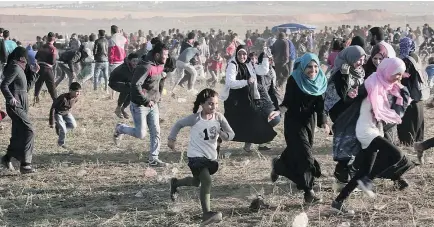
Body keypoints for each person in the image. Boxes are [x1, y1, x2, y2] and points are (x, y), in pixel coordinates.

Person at [331, 58, 415, 215]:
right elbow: (354, 97)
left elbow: (397, 98)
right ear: (387, 71)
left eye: (400, 74)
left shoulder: (386, 84)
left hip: (374, 129)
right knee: (397, 154)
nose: (398, 77)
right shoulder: (372, 83)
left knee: (363, 170)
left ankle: (339, 201)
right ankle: (367, 180)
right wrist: (352, 94)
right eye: (396, 74)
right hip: (365, 129)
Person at [168, 88, 235, 226]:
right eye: (210, 104)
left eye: (216, 104)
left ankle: (176, 183)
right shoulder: (195, 118)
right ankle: (207, 214)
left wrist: (223, 135)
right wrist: (171, 138)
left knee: (196, 182)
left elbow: (231, 134)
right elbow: (179, 124)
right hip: (195, 157)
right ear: (202, 104)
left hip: (210, 158)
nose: (214, 107)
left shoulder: (219, 117)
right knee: (207, 181)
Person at [270, 53, 329, 204]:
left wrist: (324, 123)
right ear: (303, 67)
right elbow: (287, 102)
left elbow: (321, 106)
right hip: (293, 122)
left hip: (309, 123)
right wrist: (278, 111)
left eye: (316, 67)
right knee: (305, 156)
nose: (313, 70)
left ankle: (278, 166)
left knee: (295, 152)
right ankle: (308, 192)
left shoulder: (321, 81)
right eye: (309, 67)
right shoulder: (294, 79)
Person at [113, 43, 169, 167]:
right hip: (140, 105)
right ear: (157, 55)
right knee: (141, 134)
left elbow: (157, 81)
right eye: (165, 54)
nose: (167, 56)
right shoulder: (145, 67)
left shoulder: (160, 64)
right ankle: (120, 128)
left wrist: (157, 98)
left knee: (156, 131)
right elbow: (135, 85)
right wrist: (145, 100)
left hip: (153, 104)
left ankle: (153, 158)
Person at [0, 46, 40, 174]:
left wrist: (34, 73)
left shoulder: (20, 69)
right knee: (30, 130)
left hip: (22, 103)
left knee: (18, 133)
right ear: (22, 57)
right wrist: (10, 97)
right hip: (15, 104)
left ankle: (7, 158)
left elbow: (26, 87)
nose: (27, 60)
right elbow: (3, 85)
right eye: (26, 58)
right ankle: (25, 165)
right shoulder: (15, 67)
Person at [397, 37, 426, 146]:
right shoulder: (416, 57)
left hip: (409, 98)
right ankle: (419, 145)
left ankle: (409, 144)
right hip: (418, 97)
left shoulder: (406, 61)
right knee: (418, 125)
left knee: (408, 125)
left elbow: (404, 80)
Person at [49, 82, 81, 149]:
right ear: (70, 91)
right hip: (58, 113)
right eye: (77, 92)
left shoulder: (76, 98)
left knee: (73, 125)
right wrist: (51, 122)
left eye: (79, 92)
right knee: (63, 129)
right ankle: (60, 144)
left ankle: (61, 129)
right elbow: (53, 108)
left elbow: (70, 106)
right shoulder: (62, 98)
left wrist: (68, 113)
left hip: (66, 113)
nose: (78, 93)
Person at [109, 53, 139, 119]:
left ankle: (123, 109)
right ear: (129, 61)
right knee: (127, 89)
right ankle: (118, 108)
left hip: (125, 82)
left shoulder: (134, 67)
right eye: (134, 61)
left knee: (132, 91)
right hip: (114, 82)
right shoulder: (124, 68)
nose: (135, 63)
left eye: (137, 61)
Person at [34, 32, 58, 103]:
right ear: (54, 39)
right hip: (47, 68)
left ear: (47, 38)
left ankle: (35, 98)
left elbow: (36, 57)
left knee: (38, 83)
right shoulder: (53, 49)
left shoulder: (42, 47)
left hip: (39, 67)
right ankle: (55, 101)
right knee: (51, 86)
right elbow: (52, 62)